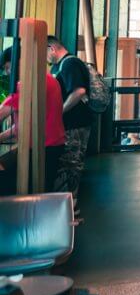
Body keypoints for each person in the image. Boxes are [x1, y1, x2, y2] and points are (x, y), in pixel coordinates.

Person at [0, 47, 66, 191]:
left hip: (43, 148)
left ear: (19, 62)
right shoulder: (46, 78)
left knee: (32, 193)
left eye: (7, 67)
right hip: (50, 146)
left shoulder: (28, 84)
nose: (7, 73)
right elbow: (25, 123)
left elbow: (2, 112)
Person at [47, 36, 91, 214]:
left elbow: (79, 91)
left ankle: (71, 208)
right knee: (68, 164)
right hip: (70, 124)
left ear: (52, 48)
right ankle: (67, 207)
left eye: (45, 53)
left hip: (76, 123)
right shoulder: (60, 65)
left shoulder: (70, 64)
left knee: (71, 164)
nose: (46, 58)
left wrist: (59, 112)